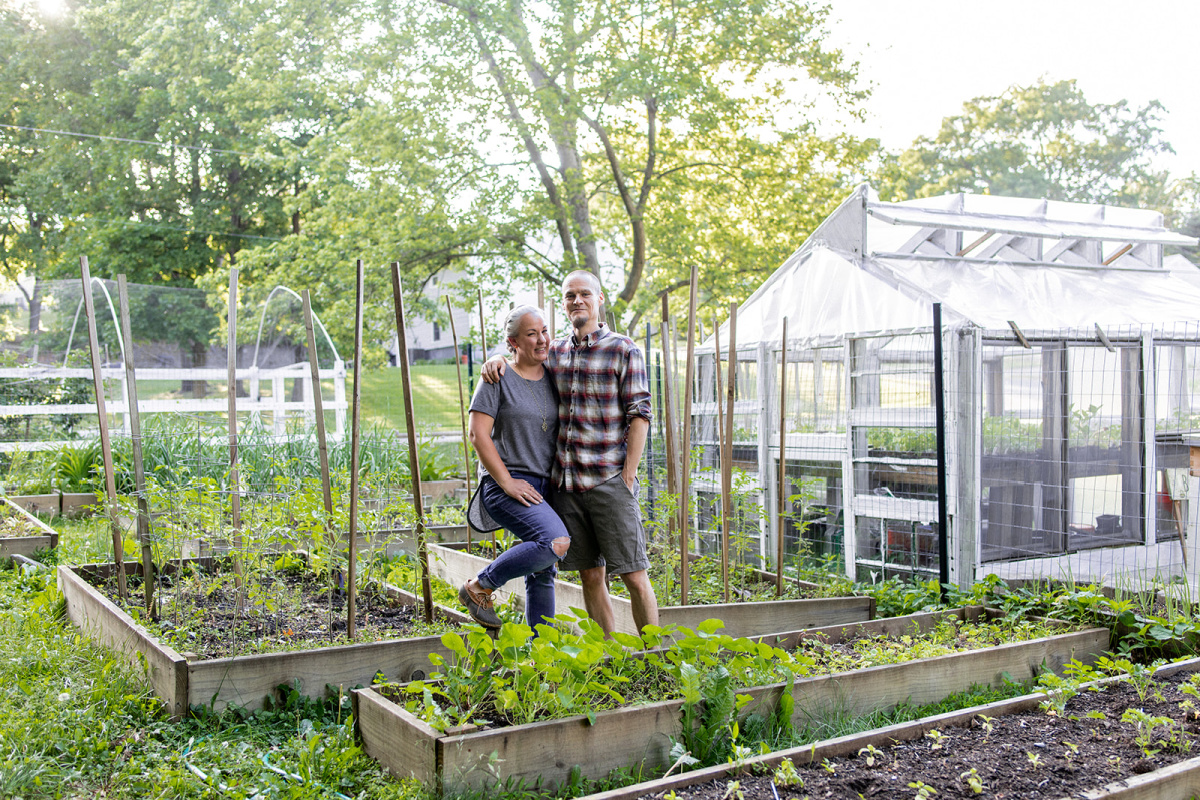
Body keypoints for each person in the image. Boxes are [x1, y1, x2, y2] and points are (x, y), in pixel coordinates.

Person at [484, 271, 659, 635]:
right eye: (569, 296)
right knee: (591, 575)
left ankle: (655, 656)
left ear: (599, 299)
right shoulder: (557, 352)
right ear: (563, 304)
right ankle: (608, 653)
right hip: (566, 485)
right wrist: (497, 358)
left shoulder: (623, 349)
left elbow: (640, 415)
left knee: (633, 573)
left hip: (609, 481)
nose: (576, 301)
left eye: (584, 294)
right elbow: (522, 362)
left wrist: (628, 475)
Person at [459, 305, 570, 630]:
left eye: (544, 331)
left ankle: (543, 654)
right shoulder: (498, 377)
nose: (541, 339)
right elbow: (477, 434)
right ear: (513, 342)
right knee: (554, 542)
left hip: (545, 486)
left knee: (543, 571)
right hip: (505, 484)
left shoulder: (554, 373)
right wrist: (506, 481)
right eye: (531, 334)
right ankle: (479, 587)